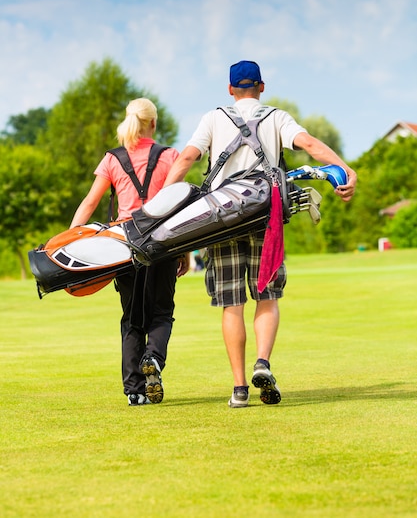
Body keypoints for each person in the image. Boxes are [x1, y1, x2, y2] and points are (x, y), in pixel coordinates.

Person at [163, 60, 357, 408]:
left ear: (230, 89)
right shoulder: (276, 117)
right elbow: (310, 145)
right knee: (267, 296)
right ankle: (263, 363)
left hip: (220, 221)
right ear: (262, 87)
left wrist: (161, 206)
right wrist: (346, 170)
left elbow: (187, 158)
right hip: (267, 220)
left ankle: (239, 389)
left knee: (231, 305)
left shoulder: (213, 118)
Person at [70, 98, 189, 406]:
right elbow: (180, 206)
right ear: (153, 123)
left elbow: (89, 203)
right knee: (161, 312)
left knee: (132, 318)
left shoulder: (112, 159)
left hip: (123, 247)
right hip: (163, 243)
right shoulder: (170, 156)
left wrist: (70, 240)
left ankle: (134, 391)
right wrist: (185, 251)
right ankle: (154, 357)